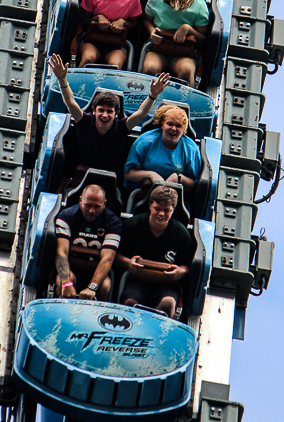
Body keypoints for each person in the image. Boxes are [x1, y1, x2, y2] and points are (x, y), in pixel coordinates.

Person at [49, 54, 170, 178]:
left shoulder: (121, 127)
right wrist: (62, 79)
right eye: (101, 110)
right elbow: (70, 102)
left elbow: (141, 114)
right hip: (81, 174)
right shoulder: (84, 121)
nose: (105, 115)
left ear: (116, 114)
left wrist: (152, 95)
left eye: (110, 111)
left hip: (109, 177)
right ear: (94, 111)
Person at [115, 185, 192, 318]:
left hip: (165, 283)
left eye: (166, 210)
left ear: (173, 210)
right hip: (136, 280)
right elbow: (114, 255)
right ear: (150, 205)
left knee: (168, 304)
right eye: (157, 209)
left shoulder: (181, 233)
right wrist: (128, 263)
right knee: (130, 303)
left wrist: (180, 272)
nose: (161, 214)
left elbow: (187, 265)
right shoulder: (132, 226)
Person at [55, 184, 122, 300]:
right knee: (61, 281)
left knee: (105, 285)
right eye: (88, 205)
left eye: (97, 207)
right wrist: (66, 282)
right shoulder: (66, 216)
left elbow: (108, 258)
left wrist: (92, 287)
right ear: (80, 200)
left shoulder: (113, 223)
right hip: (72, 269)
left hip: (95, 272)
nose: (92, 211)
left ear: (104, 204)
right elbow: (61, 253)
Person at [143, 0, 209, 87]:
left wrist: (188, 29)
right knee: (150, 68)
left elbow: (202, 40)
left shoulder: (199, 6)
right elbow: (147, 20)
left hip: (183, 53)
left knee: (186, 71)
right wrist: (151, 31)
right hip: (158, 49)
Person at [124, 104, 201, 193]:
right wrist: (151, 175)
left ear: (183, 130)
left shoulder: (191, 149)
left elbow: (195, 184)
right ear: (162, 125)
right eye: (169, 124)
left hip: (175, 194)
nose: (173, 129)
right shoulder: (144, 142)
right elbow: (128, 173)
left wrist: (178, 177)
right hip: (143, 191)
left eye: (178, 126)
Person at [78, 0, 142, 69]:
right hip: (93, 40)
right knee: (89, 58)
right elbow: (84, 21)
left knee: (115, 65)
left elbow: (134, 26)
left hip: (116, 44)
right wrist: (97, 18)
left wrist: (123, 22)